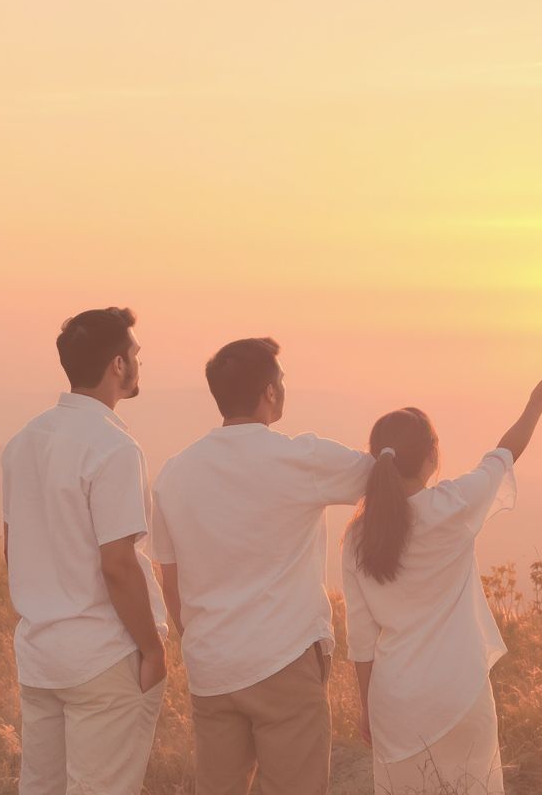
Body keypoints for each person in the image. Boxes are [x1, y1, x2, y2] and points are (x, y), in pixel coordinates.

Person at [150, 337, 374, 795]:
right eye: (282, 379)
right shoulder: (300, 459)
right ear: (269, 392)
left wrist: (201, 639)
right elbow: (385, 476)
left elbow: (169, 580)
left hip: (212, 666)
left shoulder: (175, 473)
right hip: (283, 659)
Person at [342, 367, 542, 795]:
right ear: (431, 457)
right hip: (460, 693)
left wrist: (369, 708)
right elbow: (503, 454)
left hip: (396, 701)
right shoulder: (453, 507)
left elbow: (362, 637)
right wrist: (535, 404)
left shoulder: (355, 537)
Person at [1, 307, 168, 795]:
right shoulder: (114, 447)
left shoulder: (22, 442)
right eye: (136, 353)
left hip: (40, 653)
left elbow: (15, 551)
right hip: (103, 655)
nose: (140, 361)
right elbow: (118, 566)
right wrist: (153, 650)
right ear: (117, 364)